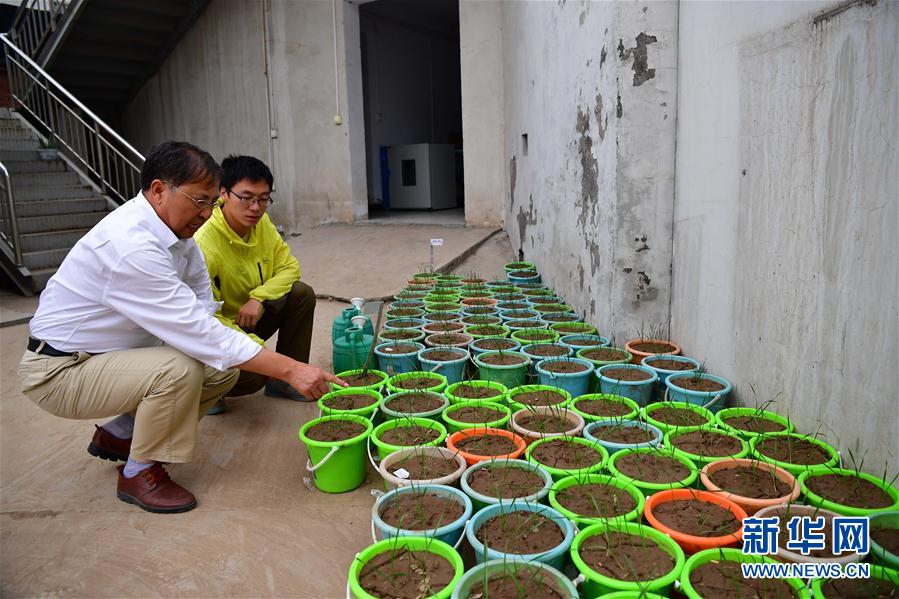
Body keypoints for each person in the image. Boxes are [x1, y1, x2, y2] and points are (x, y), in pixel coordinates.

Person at [18, 141, 343, 514]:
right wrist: (291, 369)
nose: (206, 213)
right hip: (61, 369)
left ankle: (122, 434)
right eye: (200, 200)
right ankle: (140, 472)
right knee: (179, 369)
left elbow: (203, 304)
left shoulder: (177, 234)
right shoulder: (132, 246)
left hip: (110, 358)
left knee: (218, 372)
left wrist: (245, 350)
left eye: (210, 203)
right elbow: (198, 331)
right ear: (159, 190)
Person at [194, 155, 314, 414]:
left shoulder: (261, 224)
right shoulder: (204, 243)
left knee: (301, 293)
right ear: (223, 193)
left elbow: (289, 267)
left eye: (263, 199)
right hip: (217, 332)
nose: (255, 207)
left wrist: (258, 298)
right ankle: (207, 387)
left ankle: (282, 384)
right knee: (254, 377)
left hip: (248, 317)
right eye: (246, 197)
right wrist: (261, 357)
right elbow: (204, 320)